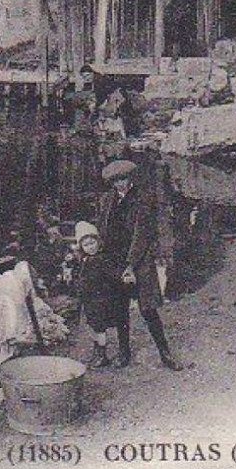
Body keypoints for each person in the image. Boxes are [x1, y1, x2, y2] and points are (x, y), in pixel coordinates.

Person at [96, 159, 183, 371]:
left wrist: (130, 265)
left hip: (139, 260)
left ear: (130, 178)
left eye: (123, 179)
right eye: (116, 181)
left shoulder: (143, 199)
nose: (120, 184)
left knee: (148, 309)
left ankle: (165, 353)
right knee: (119, 310)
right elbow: (102, 230)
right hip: (114, 261)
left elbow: (142, 234)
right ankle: (124, 353)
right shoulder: (107, 201)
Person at [69, 220, 129, 369]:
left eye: (93, 242)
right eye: (86, 245)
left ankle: (102, 355)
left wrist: (123, 278)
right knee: (94, 327)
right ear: (81, 247)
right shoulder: (84, 260)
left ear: (98, 241)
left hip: (102, 299)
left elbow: (113, 274)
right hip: (90, 300)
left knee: (100, 327)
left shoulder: (102, 259)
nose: (91, 247)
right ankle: (99, 352)